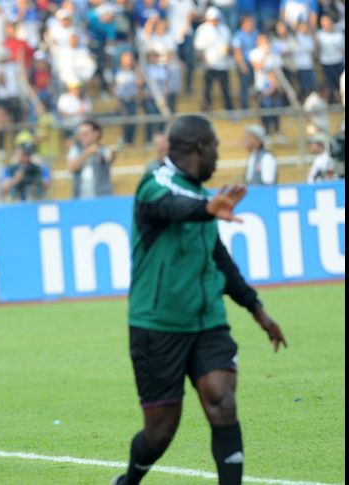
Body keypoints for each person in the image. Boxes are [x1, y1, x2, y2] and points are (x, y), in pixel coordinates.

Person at [111, 115, 287, 485]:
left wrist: (256, 309)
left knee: (222, 400)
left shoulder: (203, 197)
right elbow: (171, 207)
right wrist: (207, 210)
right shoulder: (154, 182)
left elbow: (219, 258)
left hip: (207, 321)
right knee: (160, 431)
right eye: (216, 149)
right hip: (157, 324)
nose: (219, 158)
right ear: (199, 148)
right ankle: (128, 481)